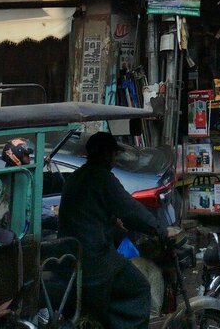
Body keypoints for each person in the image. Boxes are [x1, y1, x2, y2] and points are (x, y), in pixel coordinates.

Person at [58, 131, 179, 329]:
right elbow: (131, 209)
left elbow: (90, 211)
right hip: (93, 257)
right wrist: (161, 230)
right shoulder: (102, 178)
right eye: (114, 155)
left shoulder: (77, 176)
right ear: (106, 154)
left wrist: (113, 222)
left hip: (73, 254)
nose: (115, 160)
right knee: (139, 287)